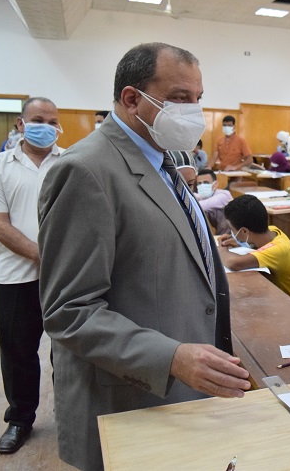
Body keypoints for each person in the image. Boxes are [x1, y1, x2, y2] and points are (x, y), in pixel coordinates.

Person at [38, 42, 250, 471]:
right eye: (178, 98)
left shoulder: (163, 161)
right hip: (130, 396)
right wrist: (169, 357)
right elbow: (69, 311)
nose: (193, 112)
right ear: (132, 98)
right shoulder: (87, 170)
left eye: (198, 99)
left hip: (182, 393)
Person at [0, 97, 62, 455]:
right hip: (16, 277)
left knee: (67, 349)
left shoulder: (71, 163)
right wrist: (41, 255)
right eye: (37, 119)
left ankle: (69, 413)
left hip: (66, 277)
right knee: (18, 351)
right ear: (21, 123)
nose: (44, 125)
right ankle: (20, 419)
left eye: (51, 120)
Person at [219, 195, 290, 307]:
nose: (232, 233)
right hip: (275, 301)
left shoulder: (278, 249)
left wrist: (220, 249)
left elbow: (233, 263)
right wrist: (237, 241)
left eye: (232, 230)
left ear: (244, 231)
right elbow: (260, 245)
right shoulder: (272, 231)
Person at [195, 168, 233, 235]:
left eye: (206, 182)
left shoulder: (224, 195)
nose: (202, 186)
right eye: (199, 183)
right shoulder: (204, 197)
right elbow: (196, 196)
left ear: (215, 184)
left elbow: (201, 206)